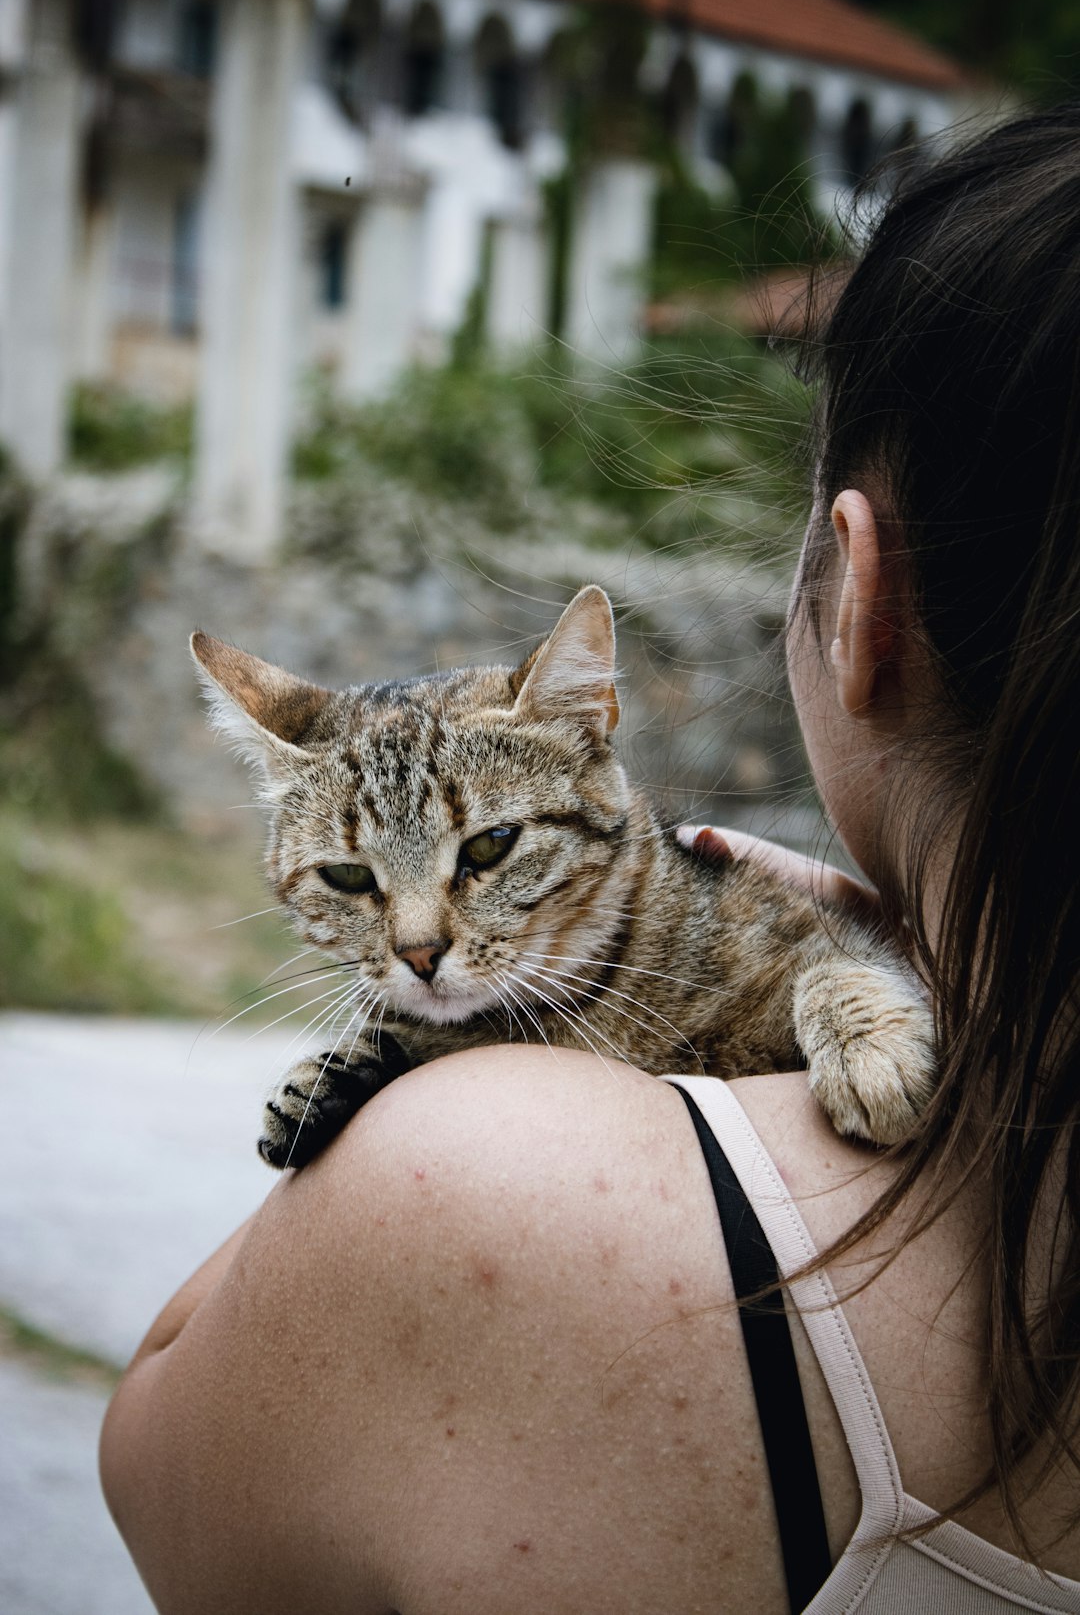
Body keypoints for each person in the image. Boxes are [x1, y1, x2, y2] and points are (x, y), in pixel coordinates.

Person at [100, 102, 1080, 1613]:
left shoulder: (474, 1196)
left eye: (479, 861)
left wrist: (844, 988)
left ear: (858, 599)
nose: (420, 941)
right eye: (356, 886)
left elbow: (151, 1472)